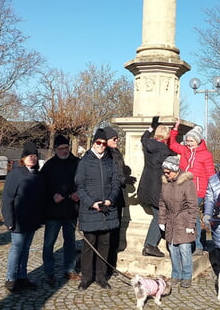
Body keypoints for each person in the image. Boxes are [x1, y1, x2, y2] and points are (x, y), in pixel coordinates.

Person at [75, 128, 120, 291]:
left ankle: (101, 277)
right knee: (89, 245)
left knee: (105, 244)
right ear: (93, 143)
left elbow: (115, 183)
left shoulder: (110, 161)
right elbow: (80, 187)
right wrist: (91, 203)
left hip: (107, 210)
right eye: (98, 143)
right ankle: (86, 278)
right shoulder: (84, 162)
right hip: (91, 210)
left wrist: (110, 199)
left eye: (103, 143)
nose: (101, 146)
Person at [2, 142, 44, 292]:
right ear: (23, 158)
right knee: (17, 249)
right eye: (29, 155)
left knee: (26, 249)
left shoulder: (37, 175)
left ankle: (22, 276)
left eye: (34, 156)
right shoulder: (15, 174)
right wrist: (9, 220)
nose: (32, 158)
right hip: (18, 220)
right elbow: (7, 199)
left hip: (32, 220)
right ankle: (11, 279)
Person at [169, 120, 215, 253]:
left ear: (198, 141)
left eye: (191, 141)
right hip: (183, 188)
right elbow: (172, 144)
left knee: (192, 216)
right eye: (187, 141)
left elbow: (211, 174)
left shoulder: (206, 155)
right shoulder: (184, 151)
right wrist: (175, 129)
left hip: (198, 191)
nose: (189, 143)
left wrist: (210, 193)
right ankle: (185, 242)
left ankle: (198, 245)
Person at [41, 134, 80, 286]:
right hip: (54, 212)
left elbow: (83, 182)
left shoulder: (77, 163)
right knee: (49, 243)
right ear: (55, 149)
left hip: (71, 210)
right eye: (61, 149)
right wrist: (52, 195)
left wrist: (78, 193)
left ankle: (69, 269)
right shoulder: (49, 166)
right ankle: (49, 272)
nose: (64, 151)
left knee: (70, 242)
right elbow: (42, 186)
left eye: (66, 148)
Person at [137, 116, 176, 257]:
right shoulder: (164, 151)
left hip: (145, 187)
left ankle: (151, 244)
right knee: (160, 216)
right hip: (157, 188)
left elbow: (143, 137)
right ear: (166, 136)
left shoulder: (148, 145)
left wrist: (151, 127)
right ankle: (150, 245)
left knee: (158, 214)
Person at [159, 155, 197, 288]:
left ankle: (187, 276)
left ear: (175, 170)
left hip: (184, 221)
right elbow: (162, 203)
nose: (166, 174)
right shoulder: (165, 183)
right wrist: (161, 220)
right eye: (165, 172)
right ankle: (176, 274)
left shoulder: (187, 183)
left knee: (185, 250)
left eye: (168, 172)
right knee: (172, 248)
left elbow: (193, 205)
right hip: (171, 221)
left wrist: (190, 224)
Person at [103, 126, 134, 278]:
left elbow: (119, 170)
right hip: (110, 198)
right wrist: (123, 178)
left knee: (115, 234)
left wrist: (125, 171)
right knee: (107, 235)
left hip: (119, 197)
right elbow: (111, 176)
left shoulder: (116, 152)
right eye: (114, 139)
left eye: (117, 138)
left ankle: (111, 265)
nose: (117, 140)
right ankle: (105, 266)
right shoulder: (106, 154)